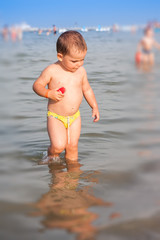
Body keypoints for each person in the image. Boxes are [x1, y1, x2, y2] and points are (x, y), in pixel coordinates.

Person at [33, 30, 99, 161]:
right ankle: (51, 156)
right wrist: (48, 93)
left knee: (72, 147)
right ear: (60, 56)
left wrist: (94, 106)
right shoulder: (52, 70)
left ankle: (73, 175)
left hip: (75, 117)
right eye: (74, 61)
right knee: (58, 146)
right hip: (56, 117)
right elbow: (37, 85)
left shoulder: (81, 71)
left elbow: (87, 90)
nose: (79, 64)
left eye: (82, 60)